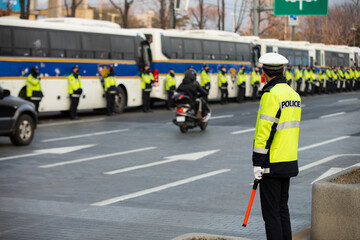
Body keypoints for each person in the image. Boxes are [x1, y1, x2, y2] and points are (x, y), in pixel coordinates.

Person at [252, 52, 301, 240]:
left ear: (263, 72)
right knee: (282, 210)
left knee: (271, 215)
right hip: (289, 159)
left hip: (271, 162)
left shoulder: (271, 95)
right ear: (283, 70)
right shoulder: (293, 95)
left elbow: (264, 132)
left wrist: (257, 163)